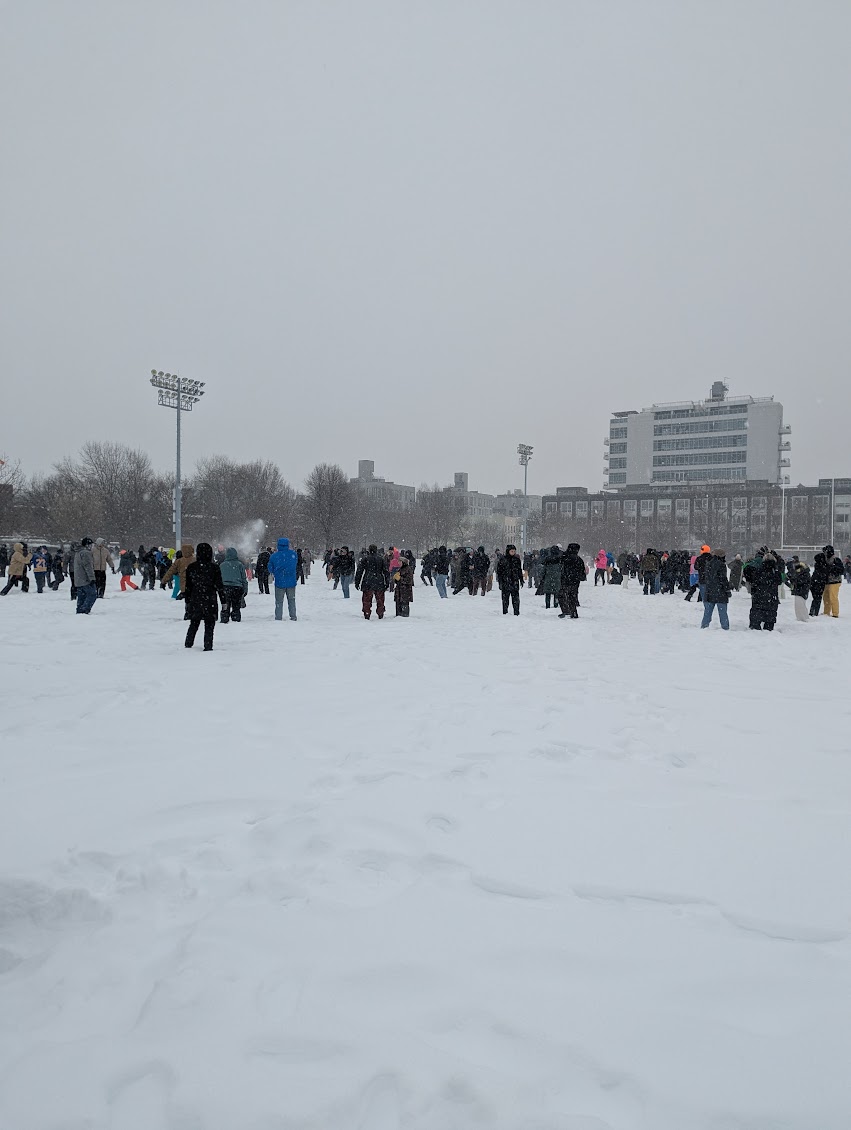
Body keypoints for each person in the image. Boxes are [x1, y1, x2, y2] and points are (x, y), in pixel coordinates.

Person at [183, 542, 225, 650]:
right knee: (209, 624)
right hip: (210, 599)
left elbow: (188, 586)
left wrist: (187, 600)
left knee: (194, 623)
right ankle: (208, 645)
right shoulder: (214, 568)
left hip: (195, 598)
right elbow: (220, 586)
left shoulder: (192, 567)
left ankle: (188, 643)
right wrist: (223, 601)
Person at [744, 548, 782, 631]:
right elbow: (779, 581)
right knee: (771, 612)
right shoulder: (775, 572)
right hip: (771, 596)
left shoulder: (758, 571)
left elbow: (753, 580)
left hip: (759, 594)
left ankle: (755, 626)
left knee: (757, 611)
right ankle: (769, 626)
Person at [268, 536, 299, 622]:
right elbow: (295, 564)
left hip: (279, 581)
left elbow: (270, 568)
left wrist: (276, 572)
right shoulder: (293, 554)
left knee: (279, 601)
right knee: (291, 600)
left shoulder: (274, 556)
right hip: (291, 581)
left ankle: (278, 617)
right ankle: (293, 616)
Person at [355, 544, 390, 620]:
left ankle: (367, 613)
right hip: (379, 581)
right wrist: (387, 582)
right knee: (380, 599)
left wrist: (357, 582)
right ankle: (380, 613)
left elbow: (359, 571)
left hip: (368, 580)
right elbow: (386, 571)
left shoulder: (365, 559)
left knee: (367, 599)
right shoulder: (381, 559)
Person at [700, 549, 731, 630]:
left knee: (708, 610)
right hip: (720, 591)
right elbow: (723, 579)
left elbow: (707, 577)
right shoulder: (721, 565)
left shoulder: (708, 564)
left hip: (710, 590)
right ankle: (725, 626)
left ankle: (704, 625)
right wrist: (727, 590)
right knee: (722, 611)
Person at [219, 547, 249, 623]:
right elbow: (243, 578)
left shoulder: (222, 565)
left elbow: (219, 578)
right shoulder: (239, 565)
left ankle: (224, 617)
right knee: (236, 605)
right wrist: (245, 589)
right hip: (237, 587)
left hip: (225, 587)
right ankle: (236, 617)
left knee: (225, 604)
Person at [558, 543, 586, 618]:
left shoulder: (565, 557)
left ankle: (566, 610)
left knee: (561, 595)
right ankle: (573, 611)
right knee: (572, 596)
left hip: (565, 579)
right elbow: (583, 573)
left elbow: (560, 565)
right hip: (575, 581)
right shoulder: (579, 559)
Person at [496, 544, 523, 615]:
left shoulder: (516, 560)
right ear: (508, 551)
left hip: (515, 581)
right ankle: (505, 612)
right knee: (505, 599)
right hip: (506, 582)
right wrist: (500, 582)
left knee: (516, 599)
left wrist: (521, 579)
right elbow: (499, 572)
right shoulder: (503, 560)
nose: (513, 552)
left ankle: (516, 612)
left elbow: (519, 570)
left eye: (514, 551)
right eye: (512, 551)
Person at [74, 537, 98, 614]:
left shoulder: (78, 552)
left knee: (81, 596)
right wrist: (92, 578)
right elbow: (88, 566)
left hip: (78, 579)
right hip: (85, 579)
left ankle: (79, 609)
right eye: (91, 544)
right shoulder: (86, 553)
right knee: (92, 594)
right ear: (87, 545)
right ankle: (84, 609)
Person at [786, 557, 811, 622]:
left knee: (799, 605)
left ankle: (801, 618)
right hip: (803, 589)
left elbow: (798, 579)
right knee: (801, 604)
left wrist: (793, 579)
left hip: (800, 589)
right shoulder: (804, 571)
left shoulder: (800, 572)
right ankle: (804, 617)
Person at [821, 544, 844, 618]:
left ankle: (835, 613)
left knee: (833, 597)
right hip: (827, 581)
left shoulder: (836, 560)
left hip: (835, 581)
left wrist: (832, 569)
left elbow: (841, 570)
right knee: (826, 597)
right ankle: (826, 612)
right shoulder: (824, 560)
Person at [809, 551, 828, 616]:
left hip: (813, 582)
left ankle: (812, 611)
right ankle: (815, 612)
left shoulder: (817, 565)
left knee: (815, 598)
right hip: (820, 583)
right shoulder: (824, 565)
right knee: (818, 598)